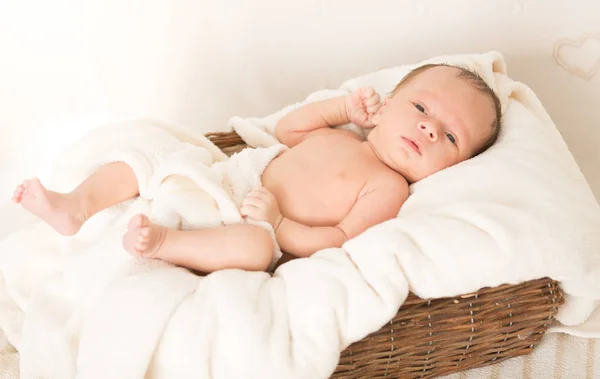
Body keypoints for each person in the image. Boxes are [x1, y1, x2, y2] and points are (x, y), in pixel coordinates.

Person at [12, 64, 502, 273]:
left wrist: (280, 224)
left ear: (451, 167)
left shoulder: (389, 187)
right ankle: (77, 203)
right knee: (152, 151)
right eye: (421, 109)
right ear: (389, 102)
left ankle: (165, 243)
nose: (430, 130)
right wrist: (341, 110)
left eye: (451, 137)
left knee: (250, 249)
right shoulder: (342, 135)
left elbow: (340, 237)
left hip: (254, 226)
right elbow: (288, 130)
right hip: (225, 180)